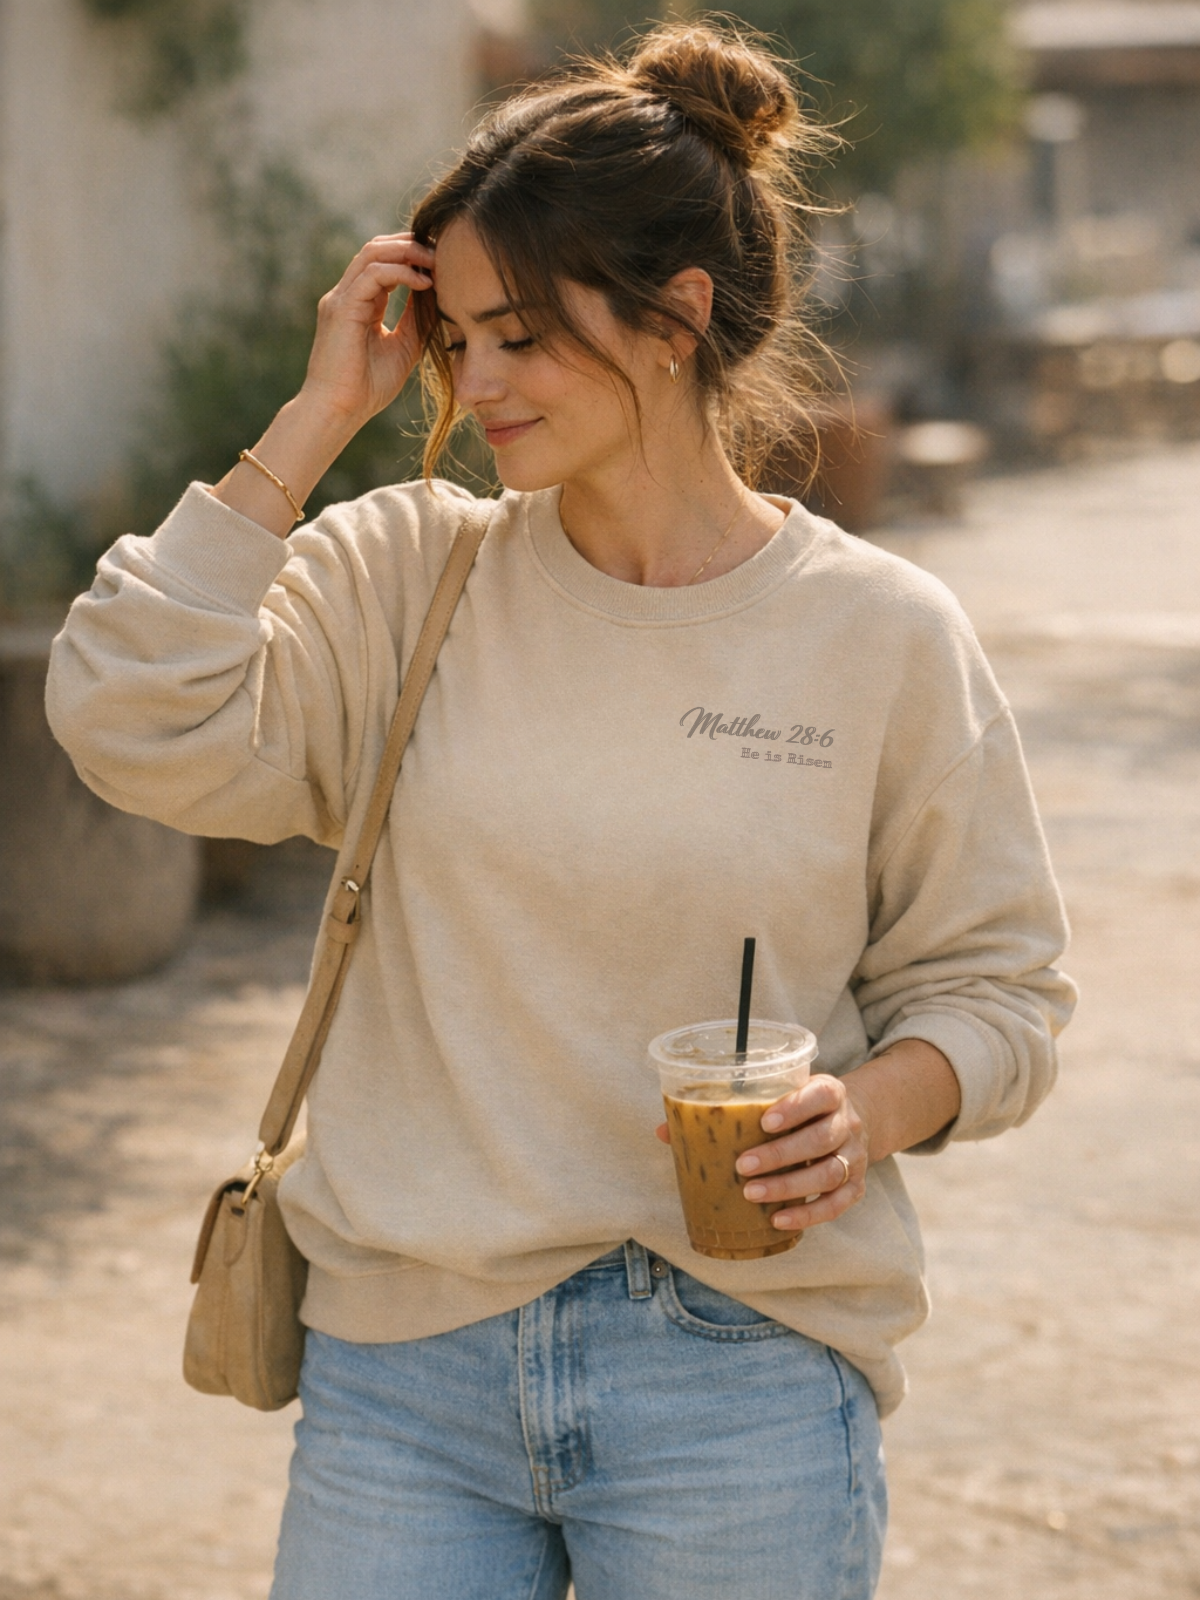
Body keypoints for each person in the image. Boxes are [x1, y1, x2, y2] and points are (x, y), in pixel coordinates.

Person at [46, 21, 1076, 1600]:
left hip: (740, 1367)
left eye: (521, 334)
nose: (477, 382)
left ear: (673, 321)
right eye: (455, 337)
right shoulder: (406, 572)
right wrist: (319, 413)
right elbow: (127, 717)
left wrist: (867, 1114)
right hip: (407, 1364)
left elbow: (999, 990)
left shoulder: (881, 636)